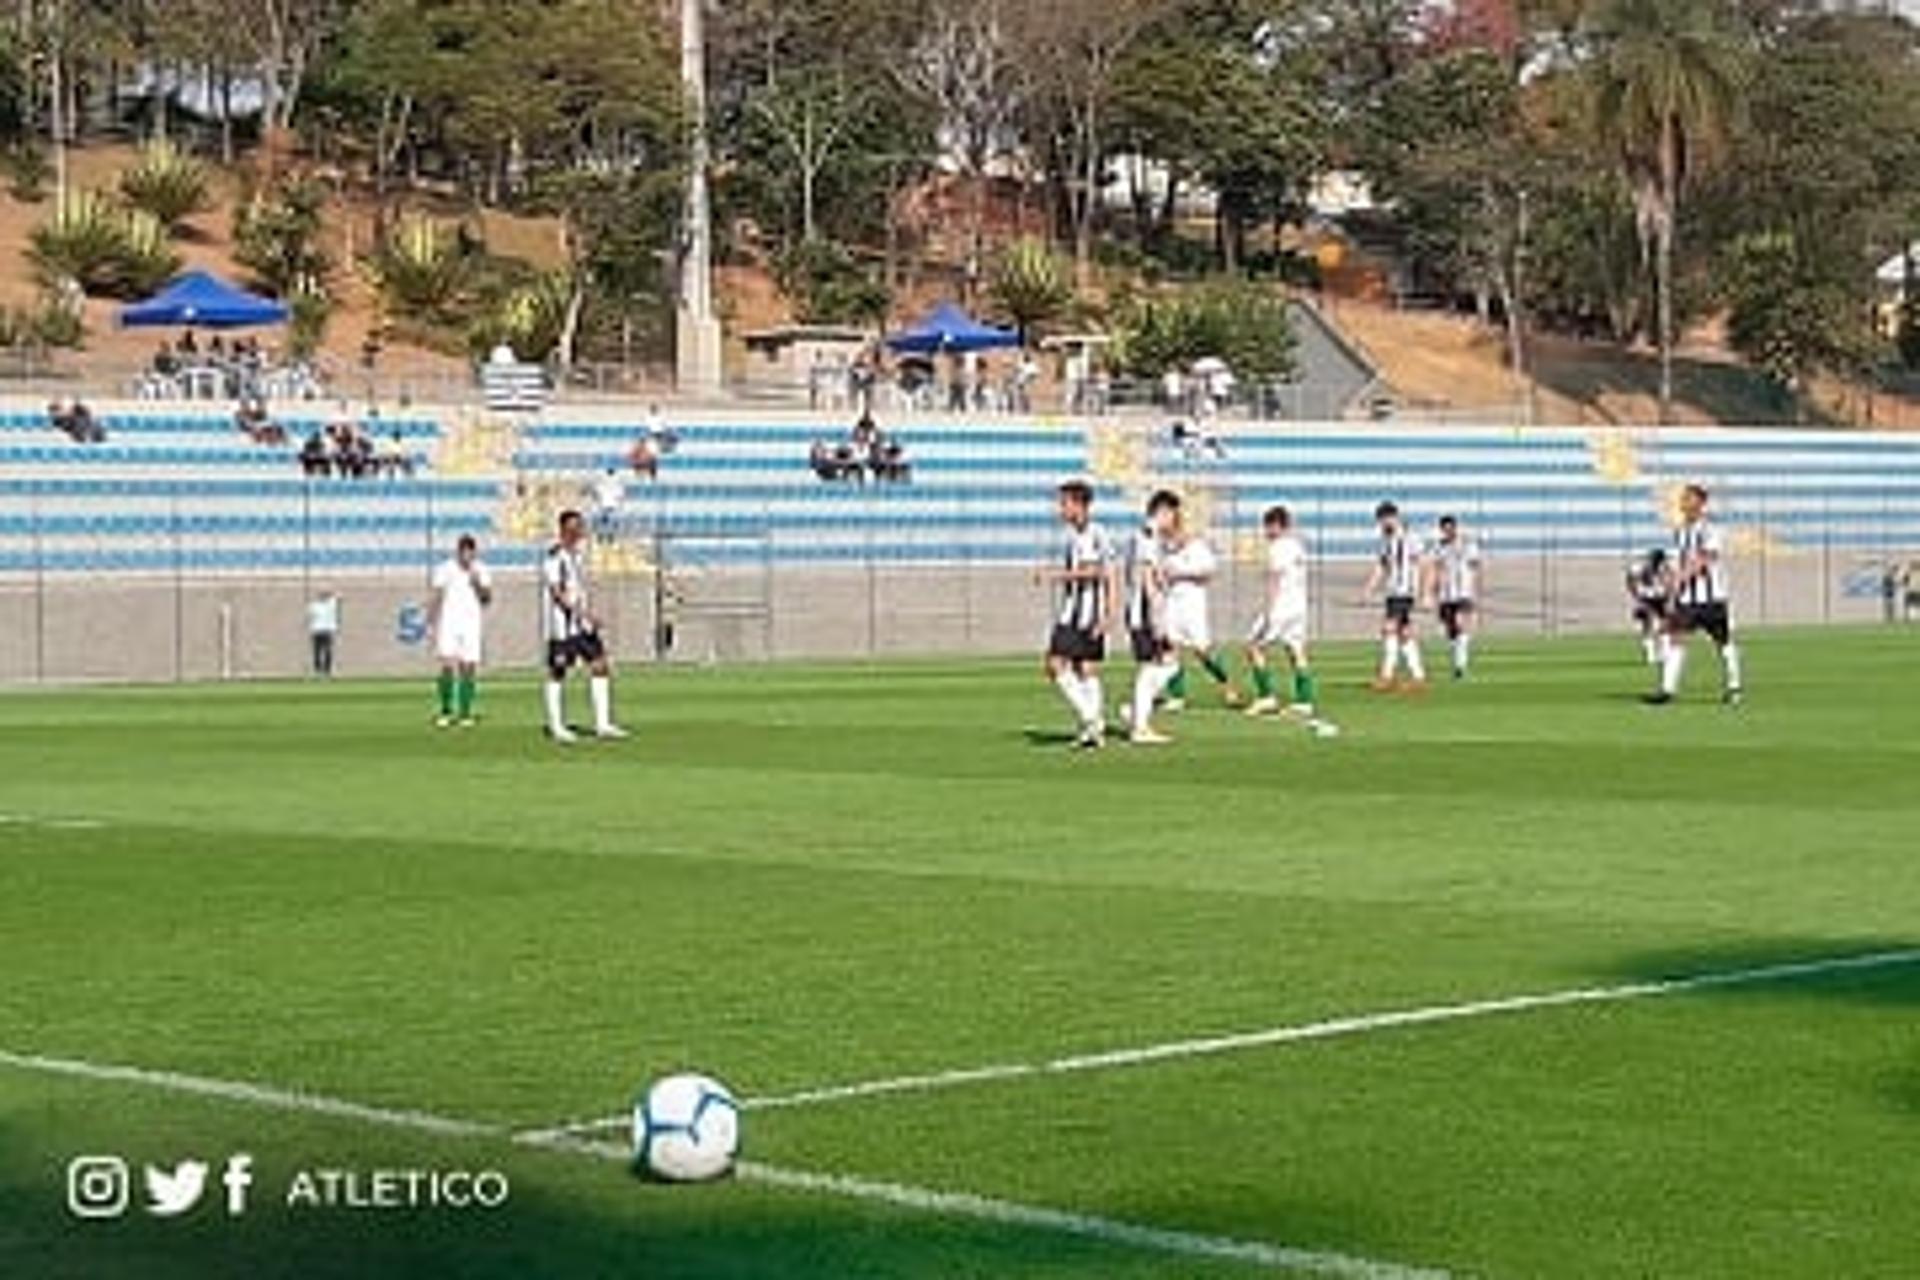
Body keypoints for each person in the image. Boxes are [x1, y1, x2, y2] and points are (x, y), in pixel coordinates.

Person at [1035, 480, 1117, 750]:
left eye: (1064, 503)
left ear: (1079, 505)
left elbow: (1098, 572)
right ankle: (1093, 728)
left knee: (1055, 664)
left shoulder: (1094, 533)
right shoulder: (1076, 535)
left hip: (1084, 613)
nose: (1061, 509)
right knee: (1084, 668)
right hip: (1075, 610)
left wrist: (1055, 575)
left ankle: (1090, 719)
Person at [1646, 484, 1744, 707]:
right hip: (1687, 600)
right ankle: (1667, 691)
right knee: (1676, 639)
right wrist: (1672, 592)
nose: (1683, 503)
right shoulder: (1679, 531)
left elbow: (1705, 560)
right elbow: (1678, 562)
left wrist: (1680, 577)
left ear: (1700, 504)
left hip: (1712, 599)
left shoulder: (1710, 530)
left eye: (1688, 499)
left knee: (1723, 642)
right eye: (1683, 499)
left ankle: (1734, 686)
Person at [542, 509, 628, 742]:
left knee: (600, 665)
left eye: (579, 527)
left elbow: (579, 588)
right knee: (557, 671)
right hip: (562, 626)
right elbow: (556, 592)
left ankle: (603, 723)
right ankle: (556, 726)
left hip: (582, 625)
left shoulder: (578, 556)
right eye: (574, 528)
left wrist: (588, 613)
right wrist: (583, 613)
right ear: (563, 530)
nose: (579, 531)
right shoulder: (554, 557)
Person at [1155, 494, 1241, 712]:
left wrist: (1181, 572)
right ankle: (1176, 696)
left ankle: (1227, 684)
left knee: (1202, 650)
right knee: (1170, 647)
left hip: (1192, 602)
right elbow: (1159, 571)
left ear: (1175, 514)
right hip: (1171, 600)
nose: (1161, 517)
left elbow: (1208, 571)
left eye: (1165, 512)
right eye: (1158, 513)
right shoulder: (1160, 543)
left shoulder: (1194, 543)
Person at [1243, 505, 1319, 720]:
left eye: (1267, 527)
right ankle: (1305, 701)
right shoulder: (1297, 546)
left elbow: (1275, 580)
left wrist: (1268, 610)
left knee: (1253, 646)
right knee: (1296, 650)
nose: (1265, 532)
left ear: (1276, 526)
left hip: (1282, 607)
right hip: (1298, 607)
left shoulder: (1278, 547)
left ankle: (1266, 697)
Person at [1122, 493, 1179, 745]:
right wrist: (1156, 615)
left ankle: (1137, 712)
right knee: (1152, 665)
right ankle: (1140, 726)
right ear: (1163, 511)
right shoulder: (1146, 534)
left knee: (1170, 662)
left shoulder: (1148, 536)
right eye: (1173, 516)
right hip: (1144, 610)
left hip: (1146, 608)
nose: (1174, 522)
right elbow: (1145, 575)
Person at [429, 535, 494, 727]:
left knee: (468, 666)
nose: (466, 556)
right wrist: (431, 618)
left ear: (474, 553)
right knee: (447, 664)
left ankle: (465, 713)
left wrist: (476, 583)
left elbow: (487, 598)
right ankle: (446, 710)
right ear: (458, 552)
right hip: (449, 622)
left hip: (471, 623)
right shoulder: (445, 569)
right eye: (463, 552)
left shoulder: (481, 570)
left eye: (470, 552)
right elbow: (437, 595)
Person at [1362, 500, 1427, 692]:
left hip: (1404, 592)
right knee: (1404, 634)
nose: (1382, 525)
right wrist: (1369, 588)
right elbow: (1382, 566)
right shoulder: (1386, 540)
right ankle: (1418, 677)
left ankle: (1387, 676)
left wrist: (1424, 592)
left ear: (1393, 517)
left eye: (1383, 520)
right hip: (1392, 592)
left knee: (1388, 629)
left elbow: (1424, 564)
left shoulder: (1410, 537)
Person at [1426, 515, 1483, 680]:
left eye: (1450, 528)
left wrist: (1473, 588)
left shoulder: (1467, 544)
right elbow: (1434, 569)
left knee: (1461, 625)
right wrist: (1431, 591)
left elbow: (1475, 565)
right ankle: (1457, 666)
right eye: (1444, 528)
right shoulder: (1438, 547)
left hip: (1463, 593)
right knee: (1451, 632)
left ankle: (1461, 667)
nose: (1448, 531)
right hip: (1445, 595)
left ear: (1455, 528)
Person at [1627, 548, 1671, 665]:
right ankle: (1651, 654)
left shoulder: (1665, 569)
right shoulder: (1639, 569)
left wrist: (1665, 593)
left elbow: (1669, 584)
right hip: (1646, 598)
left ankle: (1664, 653)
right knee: (1647, 625)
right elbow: (1631, 581)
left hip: (1659, 599)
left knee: (1663, 626)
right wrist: (1638, 593)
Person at [307, 591, 340, 677]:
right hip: (317, 630)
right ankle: (317, 670)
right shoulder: (314, 606)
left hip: (327, 630)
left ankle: (327, 670)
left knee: (327, 650)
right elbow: (310, 616)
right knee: (317, 651)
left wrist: (332, 595)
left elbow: (338, 596)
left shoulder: (330, 604)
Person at [591, 467, 627, 540]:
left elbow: (621, 495)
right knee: (604, 521)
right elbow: (596, 493)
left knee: (610, 521)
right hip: (605, 504)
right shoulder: (602, 481)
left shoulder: (617, 482)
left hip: (609, 504)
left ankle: (608, 536)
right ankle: (602, 536)